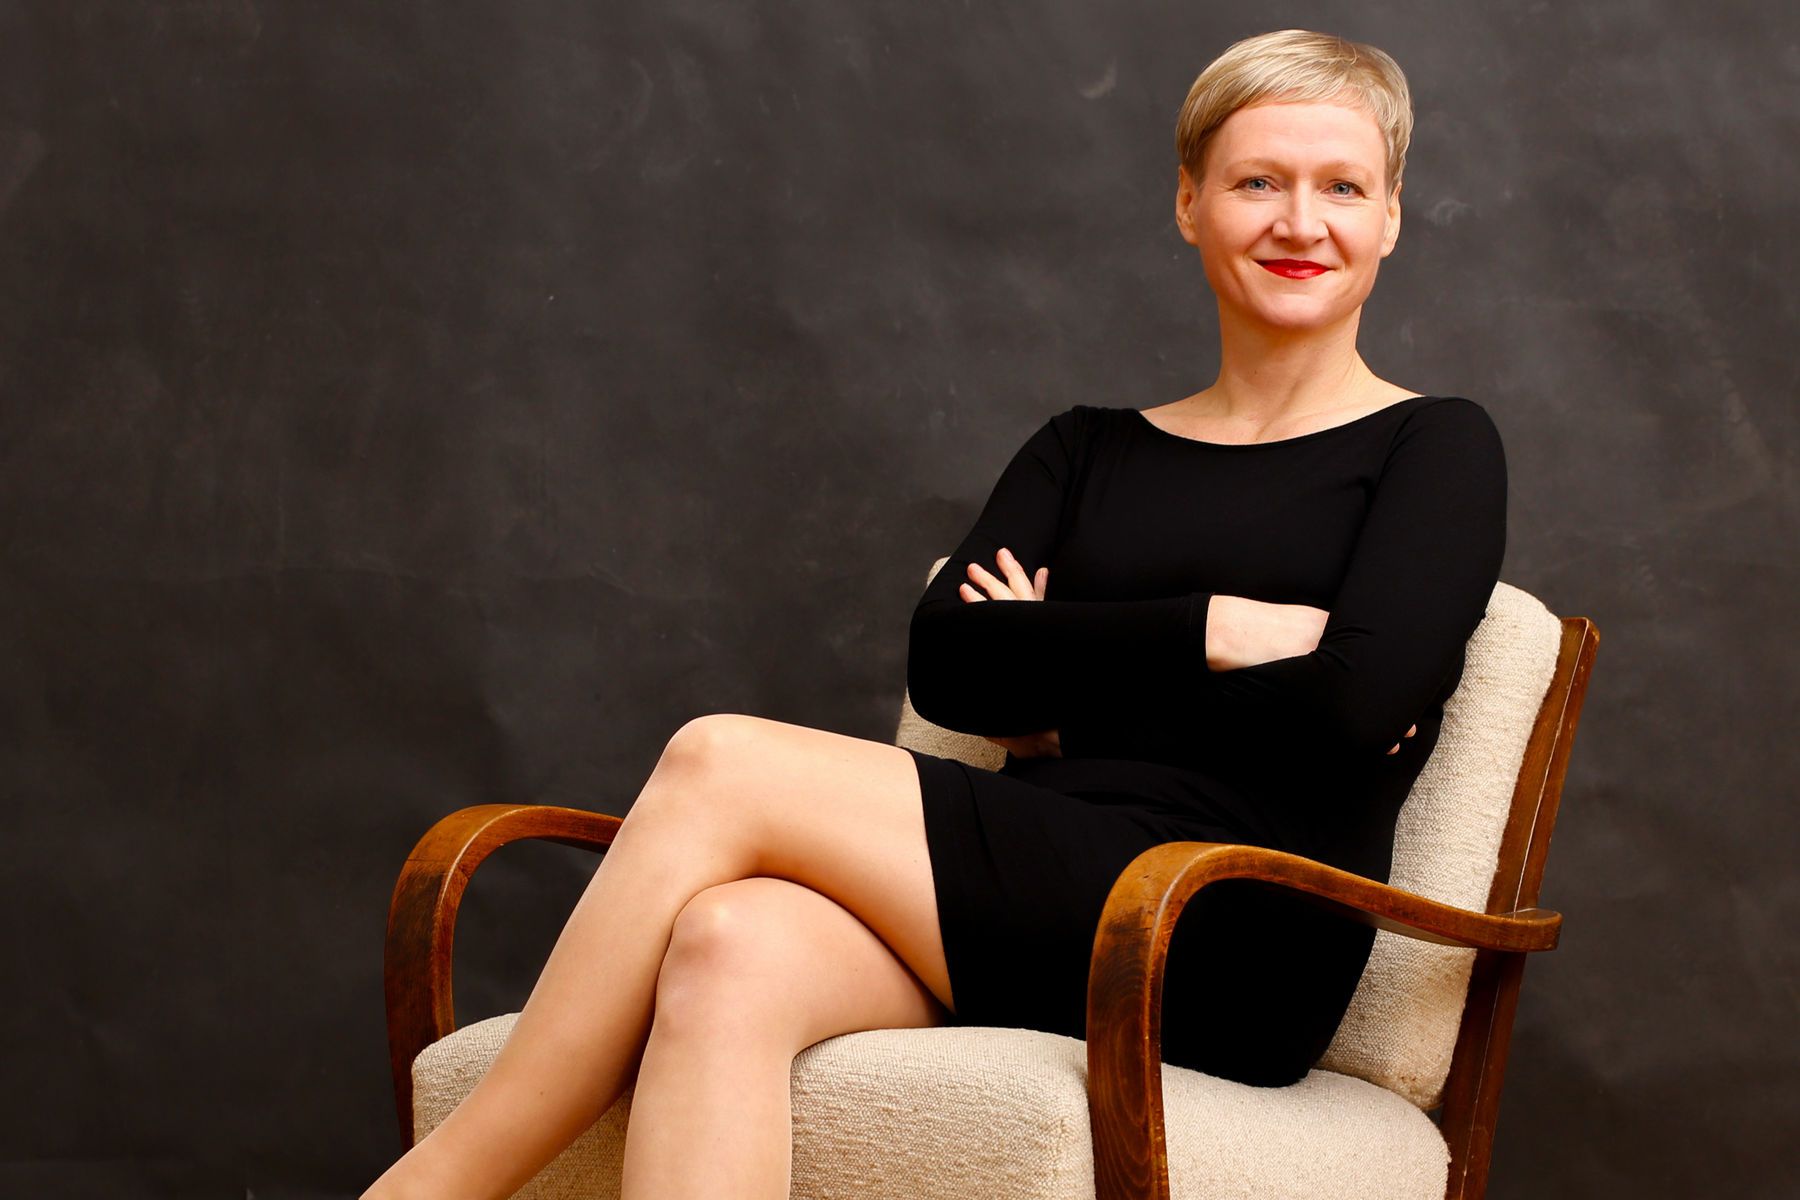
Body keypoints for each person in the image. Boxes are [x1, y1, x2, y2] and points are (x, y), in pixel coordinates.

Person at [363, 26, 1506, 1200]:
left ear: (1390, 217)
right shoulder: (1085, 449)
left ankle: (428, 1189)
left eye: (1342, 188)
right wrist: (1216, 629)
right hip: (1024, 903)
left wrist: (1063, 690)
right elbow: (952, 665)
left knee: (717, 763)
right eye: (1258, 181)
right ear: (1188, 203)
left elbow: (1355, 707)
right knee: (726, 948)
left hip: (1219, 930)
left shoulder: (1436, 447)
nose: (1301, 222)